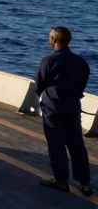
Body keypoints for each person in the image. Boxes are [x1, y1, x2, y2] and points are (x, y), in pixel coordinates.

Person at [35, 26, 92, 195]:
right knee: (77, 145)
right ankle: (85, 183)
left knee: (56, 144)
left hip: (53, 108)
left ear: (53, 40)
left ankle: (61, 181)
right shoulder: (81, 62)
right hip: (73, 107)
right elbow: (82, 84)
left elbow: (39, 85)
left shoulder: (48, 60)